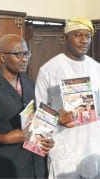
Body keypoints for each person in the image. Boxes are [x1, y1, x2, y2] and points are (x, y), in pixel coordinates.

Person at [0, 34, 54, 178]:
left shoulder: (29, 82)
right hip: (6, 167)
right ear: (3, 57)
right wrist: (4, 138)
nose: (24, 59)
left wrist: (44, 138)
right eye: (18, 54)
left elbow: (35, 118)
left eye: (27, 54)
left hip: (35, 166)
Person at [35, 17, 100, 178]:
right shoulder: (48, 70)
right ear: (65, 37)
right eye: (78, 35)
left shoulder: (96, 68)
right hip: (64, 150)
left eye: (88, 36)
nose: (84, 40)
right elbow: (40, 115)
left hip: (92, 149)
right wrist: (57, 117)